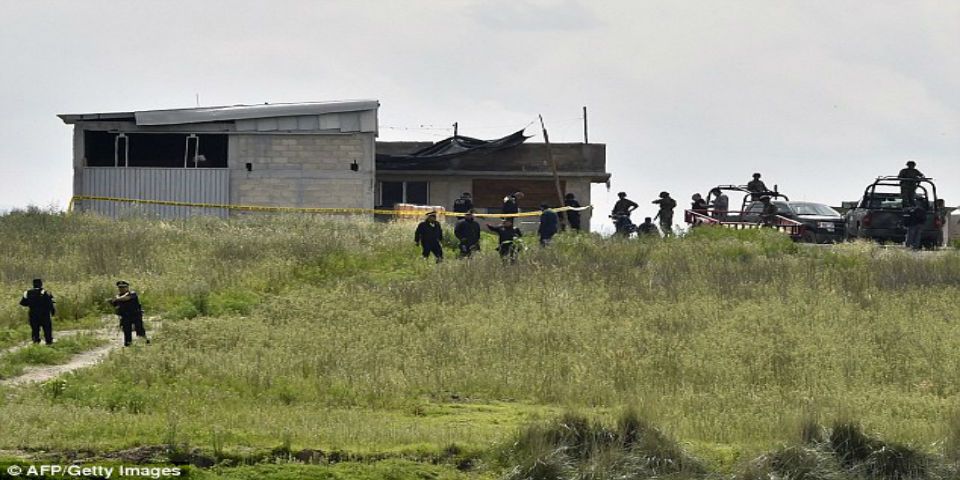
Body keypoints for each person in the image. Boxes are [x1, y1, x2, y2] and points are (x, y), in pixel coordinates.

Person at [108, 280, 149, 347]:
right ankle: (128, 345)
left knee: (140, 330)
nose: (122, 289)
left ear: (127, 288)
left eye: (124, 287)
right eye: (120, 288)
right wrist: (112, 302)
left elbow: (125, 298)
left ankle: (145, 343)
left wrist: (116, 299)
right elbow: (115, 305)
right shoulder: (118, 296)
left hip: (135, 315)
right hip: (125, 316)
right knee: (127, 332)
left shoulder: (132, 293)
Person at [19, 278, 55, 345]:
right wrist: (52, 311)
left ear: (33, 285)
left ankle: (36, 341)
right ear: (41, 284)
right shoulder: (46, 292)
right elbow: (50, 303)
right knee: (47, 329)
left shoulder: (27, 292)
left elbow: (22, 303)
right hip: (44, 315)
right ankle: (49, 342)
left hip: (33, 314)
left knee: (35, 329)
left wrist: (31, 304)